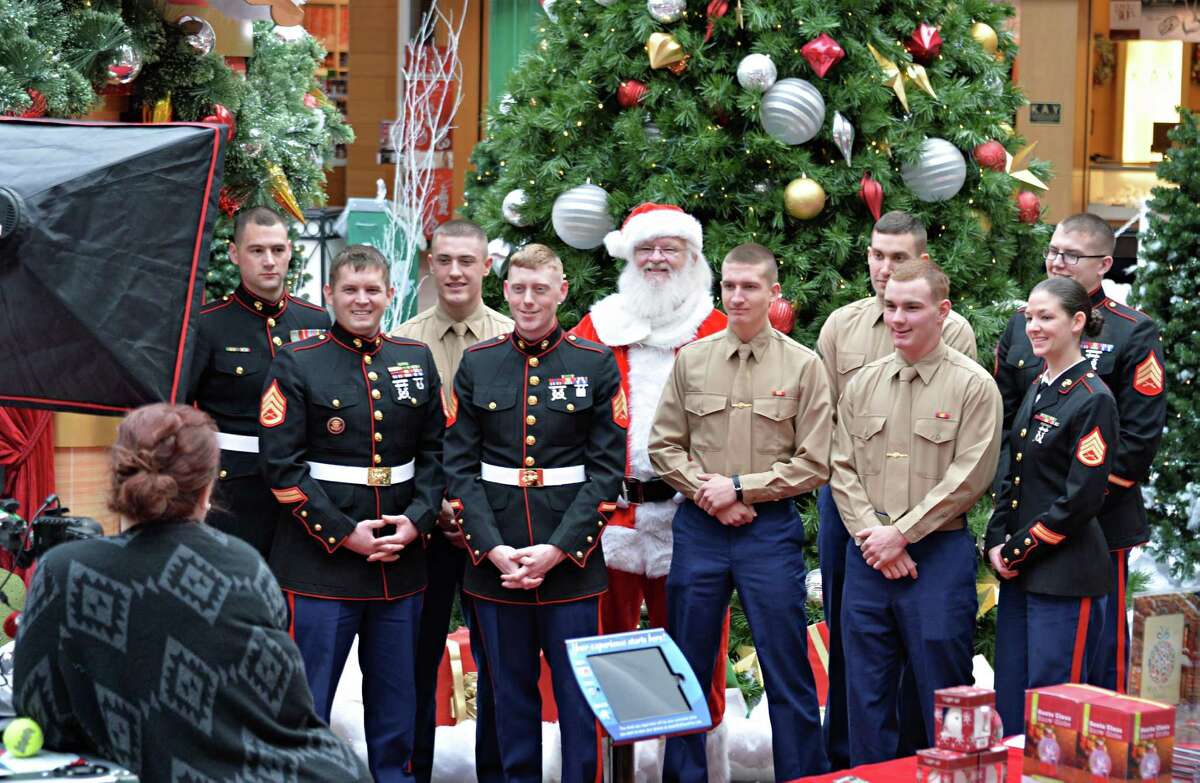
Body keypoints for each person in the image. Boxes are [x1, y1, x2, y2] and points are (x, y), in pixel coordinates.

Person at [13, 403, 371, 782]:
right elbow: (288, 713)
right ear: (208, 488)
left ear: (118, 478)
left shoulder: (63, 570)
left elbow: (40, 714)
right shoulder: (244, 567)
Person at [258, 244, 445, 782]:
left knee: (397, 702)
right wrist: (344, 535)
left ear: (390, 294)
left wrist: (419, 519)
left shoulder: (415, 358)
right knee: (307, 701)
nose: (361, 300)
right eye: (349, 290)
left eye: (371, 290)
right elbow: (283, 468)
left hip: (400, 561)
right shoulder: (298, 361)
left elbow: (436, 453)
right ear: (329, 295)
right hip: (321, 563)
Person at [443, 243, 625, 783]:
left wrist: (557, 550)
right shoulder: (478, 363)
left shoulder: (594, 364)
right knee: (508, 694)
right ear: (505, 291)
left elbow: (605, 473)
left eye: (540, 289)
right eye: (519, 289)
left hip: (569, 560)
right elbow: (460, 468)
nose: (528, 300)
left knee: (577, 697)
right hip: (494, 561)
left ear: (561, 292)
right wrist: (494, 549)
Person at [650, 243, 832, 781]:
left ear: (773, 293)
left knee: (786, 667)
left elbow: (815, 462)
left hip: (769, 533)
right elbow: (664, 447)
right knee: (686, 664)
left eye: (749, 286)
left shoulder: (803, 366)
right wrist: (713, 496)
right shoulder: (693, 359)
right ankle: (684, 777)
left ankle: (802, 774)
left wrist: (740, 489)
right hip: (701, 530)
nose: (736, 296)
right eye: (728, 285)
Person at [570, 202, 731, 772]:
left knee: (693, 659)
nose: (657, 258)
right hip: (608, 518)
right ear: (628, 255)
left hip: (691, 520)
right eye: (646, 248)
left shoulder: (717, 329)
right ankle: (608, 769)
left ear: (692, 257)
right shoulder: (598, 326)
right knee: (601, 659)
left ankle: (690, 771)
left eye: (670, 247)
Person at [815, 211, 977, 767]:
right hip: (854, 516)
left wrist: (900, 535)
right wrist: (872, 534)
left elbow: (962, 449)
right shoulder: (841, 326)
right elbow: (836, 435)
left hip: (927, 523)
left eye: (900, 259)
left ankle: (920, 759)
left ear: (923, 262)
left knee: (930, 657)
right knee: (856, 654)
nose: (886, 270)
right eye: (877, 256)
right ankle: (853, 766)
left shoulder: (954, 335)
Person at [992, 213, 1165, 693]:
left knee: (1096, 657)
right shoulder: (1020, 326)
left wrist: (1069, 512)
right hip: (1028, 518)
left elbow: (1136, 442)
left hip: (1096, 525)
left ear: (1104, 264)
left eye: (1071, 255)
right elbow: (1007, 420)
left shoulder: (1132, 333)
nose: (1057, 261)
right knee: (1024, 663)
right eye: (1052, 250)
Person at [390, 218, 511, 783]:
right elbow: (398, 439)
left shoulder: (516, 339)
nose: (456, 271)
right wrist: (433, 508)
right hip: (424, 529)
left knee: (499, 663)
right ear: (430, 264)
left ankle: (497, 772)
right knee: (414, 659)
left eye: (467, 260)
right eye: (444, 260)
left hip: (497, 533)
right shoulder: (402, 343)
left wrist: (477, 517)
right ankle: (413, 771)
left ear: (488, 266)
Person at [986, 276, 1118, 734]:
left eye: (1046, 317)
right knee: (1012, 699)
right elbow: (1015, 472)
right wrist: (996, 540)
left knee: (1054, 709)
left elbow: (1079, 499)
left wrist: (1016, 550)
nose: (1034, 328)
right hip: (1023, 572)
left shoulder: (1092, 398)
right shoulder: (1041, 386)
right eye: (1029, 318)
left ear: (1077, 321)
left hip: (1064, 573)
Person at [186, 206, 329, 556]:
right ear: (234, 254)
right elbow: (177, 407)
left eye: (278, 250)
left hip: (306, 487)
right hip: (234, 493)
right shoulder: (208, 325)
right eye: (257, 250)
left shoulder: (316, 319)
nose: (269, 261)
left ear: (290, 252)